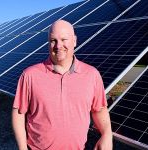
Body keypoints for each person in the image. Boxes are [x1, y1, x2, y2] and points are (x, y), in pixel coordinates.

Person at [12, 19, 112, 150]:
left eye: (64, 39)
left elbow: (99, 109)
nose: (58, 46)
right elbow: (19, 112)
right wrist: (22, 147)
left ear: (75, 41)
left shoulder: (92, 75)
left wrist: (107, 134)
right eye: (53, 40)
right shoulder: (30, 75)